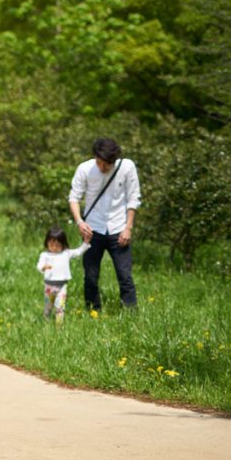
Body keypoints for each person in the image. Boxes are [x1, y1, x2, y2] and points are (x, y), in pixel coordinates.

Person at [68, 138, 142, 311]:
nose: (102, 168)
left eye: (106, 165)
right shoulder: (85, 169)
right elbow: (74, 197)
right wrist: (80, 222)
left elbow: (133, 197)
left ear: (114, 160)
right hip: (92, 229)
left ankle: (131, 314)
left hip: (119, 228)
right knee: (91, 276)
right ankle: (93, 312)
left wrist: (128, 228)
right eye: (99, 163)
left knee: (125, 276)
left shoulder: (127, 167)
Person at [37, 226, 90, 324]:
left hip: (62, 286)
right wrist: (44, 267)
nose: (54, 247)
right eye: (51, 244)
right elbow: (39, 265)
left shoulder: (66, 253)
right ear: (47, 243)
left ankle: (59, 326)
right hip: (49, 286)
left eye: (57, 245)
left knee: (60, 306)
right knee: (48, 305)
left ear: (63, 244)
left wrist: (86, 242)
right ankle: (46, 319)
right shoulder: (45, 255)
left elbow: (78, 252)